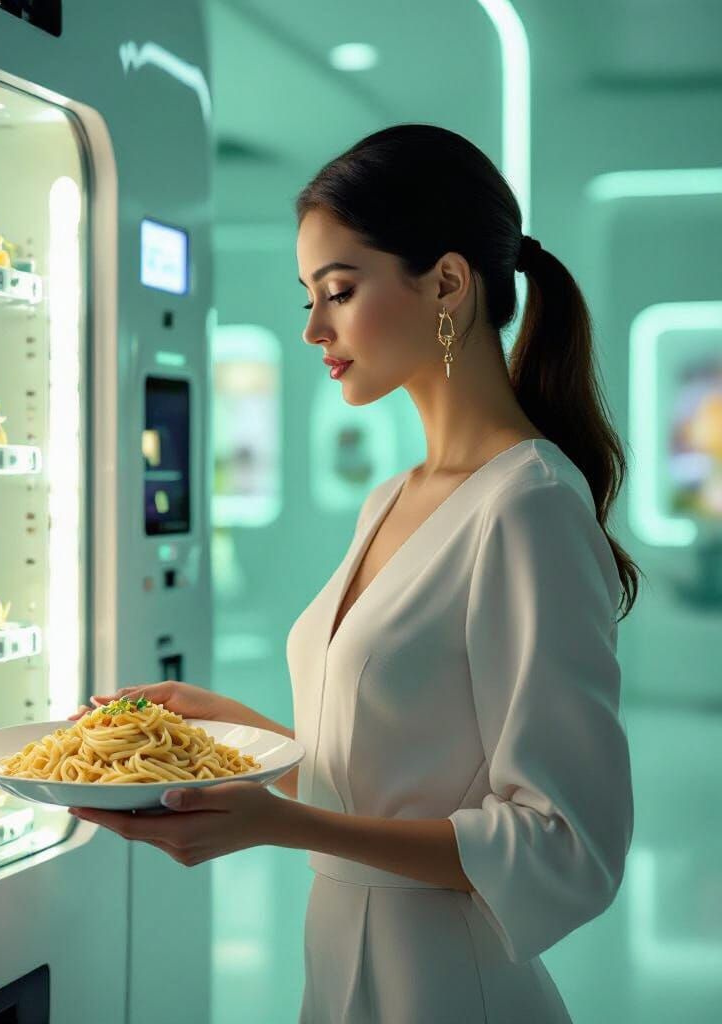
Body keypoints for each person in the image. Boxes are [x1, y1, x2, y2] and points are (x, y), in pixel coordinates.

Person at [67, 123, 640, 1023]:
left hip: (453, 988)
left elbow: (566, 843)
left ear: (447, 283)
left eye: (338, 290)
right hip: (341, 973)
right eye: (309, 295)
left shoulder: (528, 505)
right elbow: (389, 775)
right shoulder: (392, 497)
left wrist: (279, 823)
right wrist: (233, 737)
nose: (311, 328)